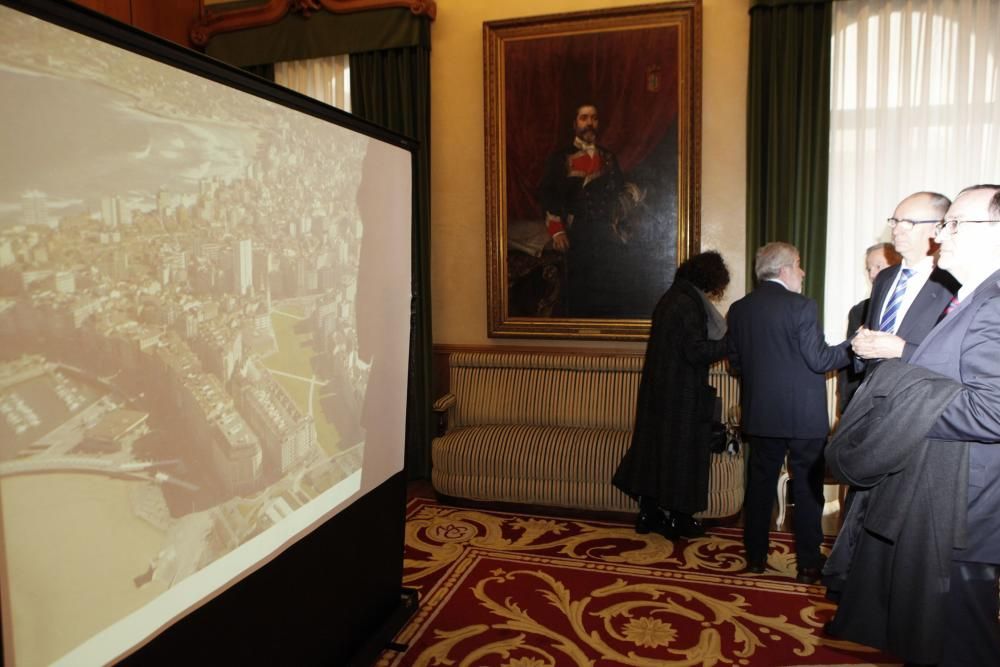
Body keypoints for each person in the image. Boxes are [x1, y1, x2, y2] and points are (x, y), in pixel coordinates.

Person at [826, 185, 1000, 665]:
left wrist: (901, 390)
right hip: (940, 494)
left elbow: (993, 410)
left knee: (961, 640)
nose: (943, 236)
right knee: (931, 633)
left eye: (955, 224)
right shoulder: (974, 295)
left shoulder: (994, 303)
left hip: (963, 504)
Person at [726, 242, 849, 583]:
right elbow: (820, 360)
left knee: (760, 485)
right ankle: (808, 564)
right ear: (784, 270)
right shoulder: (802, 306)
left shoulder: (738, 309)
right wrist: (855, 346)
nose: (803, 272)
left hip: (762, 415)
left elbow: (735, 364)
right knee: (807, 490)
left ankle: (754, 557)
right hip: (803, 418)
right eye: (799, 264)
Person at [612, 251, 731, 540]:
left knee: (655, 453)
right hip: (682, 396)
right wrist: (731, 343)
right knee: (682, 458)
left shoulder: (670, 298)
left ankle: (649, 514)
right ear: (710, 278)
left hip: (659, 391)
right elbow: (696, 352)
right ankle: (680, 519)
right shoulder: (688, 304)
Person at [538, 103, 634, 318]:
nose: (589, 123)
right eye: (584, 118)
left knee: (613, 285)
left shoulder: (609, 157)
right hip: (576, 232)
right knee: (578, 289)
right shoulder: (560, 157)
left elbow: (619, 192)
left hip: (606, 231)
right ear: (575, 124)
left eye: (593, 118)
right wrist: (557, 230)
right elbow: (548, 194)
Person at [849, 191, 959, 364]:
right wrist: (860, 347)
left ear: (938, 227)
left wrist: (902, 350)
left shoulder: (954, 282)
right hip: (874, 388)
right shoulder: (885, 277)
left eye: (908, 223)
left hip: (922, 388)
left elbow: (956, 357)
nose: (896, 230)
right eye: (894, 222)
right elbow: (871, 336)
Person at [837, 242, 900, 412]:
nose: (872, 274)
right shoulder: (859, 311)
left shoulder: (914, 307)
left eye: (878, 266)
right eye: (868, 268)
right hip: (863, 404)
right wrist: (845, 403)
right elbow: (849, 365)